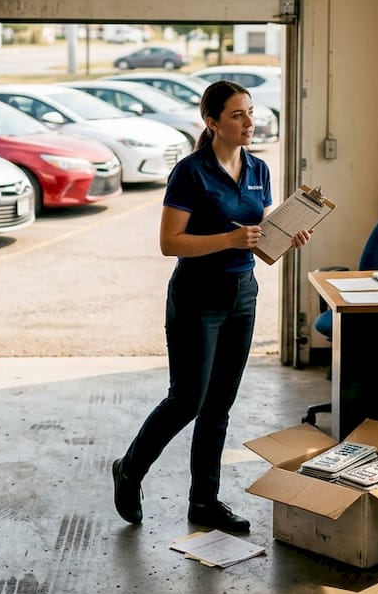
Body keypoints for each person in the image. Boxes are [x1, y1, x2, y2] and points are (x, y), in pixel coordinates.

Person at [111, 80, 312, 533]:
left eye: (251, 112)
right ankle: (130, 469)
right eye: (238, 115)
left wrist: (289, 235)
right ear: (212, 122)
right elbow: (170, 242)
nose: (249, 122)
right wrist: (229, 238)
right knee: (187, 400)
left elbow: (260, 241)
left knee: (219, 404)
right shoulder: (190, 172)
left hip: (242, 293)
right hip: (197, 297)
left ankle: (204, 501)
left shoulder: (259, 168)